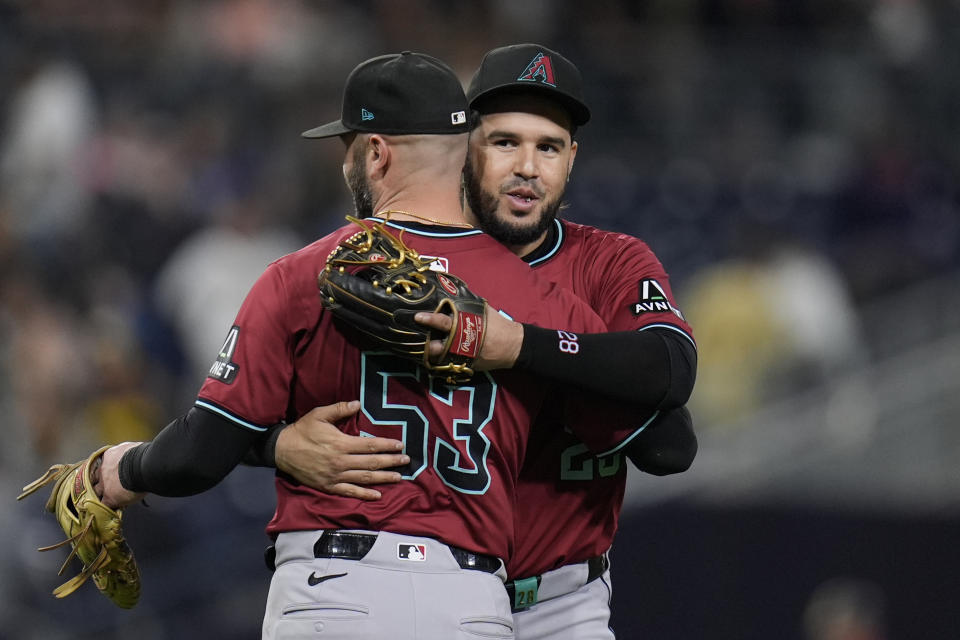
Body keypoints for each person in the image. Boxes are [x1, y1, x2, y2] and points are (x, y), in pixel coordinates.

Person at [94, 51, 636, 640]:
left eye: (349, 147)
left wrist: (124, 468)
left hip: (335, 588)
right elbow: (662, 437)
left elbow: (201, 453)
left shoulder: (302, 276)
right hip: (474, 599)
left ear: (376, 154)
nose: (346, 162)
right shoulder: (542, 303)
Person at [267, 44, 698, 639]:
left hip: (563, 603)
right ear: (462, 146)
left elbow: (672, 425)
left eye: (548, 147)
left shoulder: (608, 262)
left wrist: (520, 346)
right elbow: (238, 411)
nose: (527, 166)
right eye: (504, 142)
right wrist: (274, 446)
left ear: (572, 159)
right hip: (426, 588)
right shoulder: (389, 263)